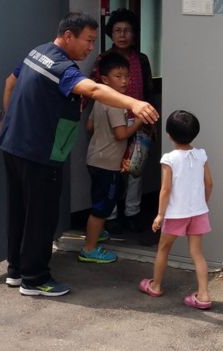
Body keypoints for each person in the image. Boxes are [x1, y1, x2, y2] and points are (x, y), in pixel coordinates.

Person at [0, 12, 159, 297]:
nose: (91, 48)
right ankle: (35, 279)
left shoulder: (38, 53)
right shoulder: (61, 66)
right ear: (68, 36)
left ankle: (17, 271)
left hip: (14, 146)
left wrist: (8, 120)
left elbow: (10, 82)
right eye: (88, 40)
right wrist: (133, 102)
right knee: (41, 216)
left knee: (19, 210)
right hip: (38, 153)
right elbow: (93, 89)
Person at [138, 110, 214, 310]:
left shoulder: (169, 159)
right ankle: (204, 295)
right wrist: (202, 202)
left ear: (169, 134)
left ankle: (155, 285)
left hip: (175, 214)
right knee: (197, 253)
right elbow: (209, 183)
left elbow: (165, 189)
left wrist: (160, 214)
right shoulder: (201, 154)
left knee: (164, 248)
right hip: (198, 212)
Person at [91, 8, 155, 233]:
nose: (122, 35)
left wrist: (149, 122)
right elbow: (95, 90)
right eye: (118, 30)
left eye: (127, 30)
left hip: (139, 121)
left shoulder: (142, 59)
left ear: (134, 34)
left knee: (135, 170)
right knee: (111, 170)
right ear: (111, 33)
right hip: (112, 124)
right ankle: (110, 216)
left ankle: (132, 213)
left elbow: (148, 90)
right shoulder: (103, 60)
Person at [79, 52, 143, 264]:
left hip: (95, 158)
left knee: (100, 201)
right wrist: (139, 121)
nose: (124, 80)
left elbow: (89, 126)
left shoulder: (100, 99)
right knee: (102, 207)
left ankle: (96, 234)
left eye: (127, 76)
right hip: (107, 164)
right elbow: (121, 134)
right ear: (104, 79)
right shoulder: (117, 104)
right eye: (118, 76)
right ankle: (89, 249)